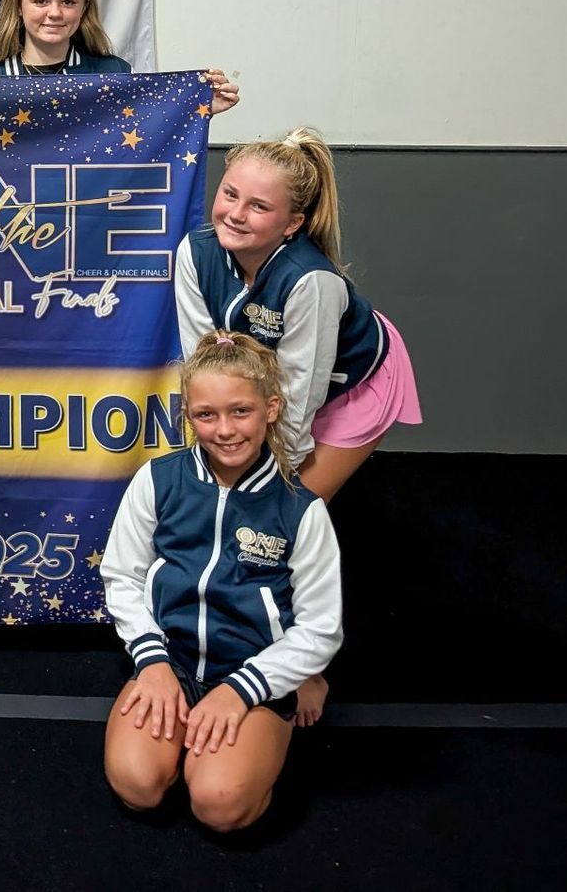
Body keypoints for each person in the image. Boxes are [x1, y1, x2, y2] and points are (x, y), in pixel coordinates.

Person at [100, 330, 342, 833]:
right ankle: (191, 731)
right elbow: (122, 575)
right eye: (206, 415)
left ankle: (288, 700)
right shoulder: (157, 480)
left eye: (240, 411)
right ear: (188, 415)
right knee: (136, 784)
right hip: (175, 663)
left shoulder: (301, 511)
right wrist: (153, 662)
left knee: (219, 803)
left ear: (271, 409)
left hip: (253, 670)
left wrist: (243, 690)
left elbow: (321, 628)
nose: (225, 430)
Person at [174, 128, 422, 503]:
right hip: (281, 377)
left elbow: (301, 389)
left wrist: (258, 480)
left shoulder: (312, 280)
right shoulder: (194, 253)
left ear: (292, 223)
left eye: (259, 206)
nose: (236, 214)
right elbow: (204, 365)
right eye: (230, 194)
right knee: (218, 498)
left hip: (354, 377)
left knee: (281, 512)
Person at [0, 0, 239, 110]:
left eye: (68, 2)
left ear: (84, 7)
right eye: (41, 1)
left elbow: (152, 129)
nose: (54, 13)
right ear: (19, 7)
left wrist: (201, 108)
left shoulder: (116, 75)